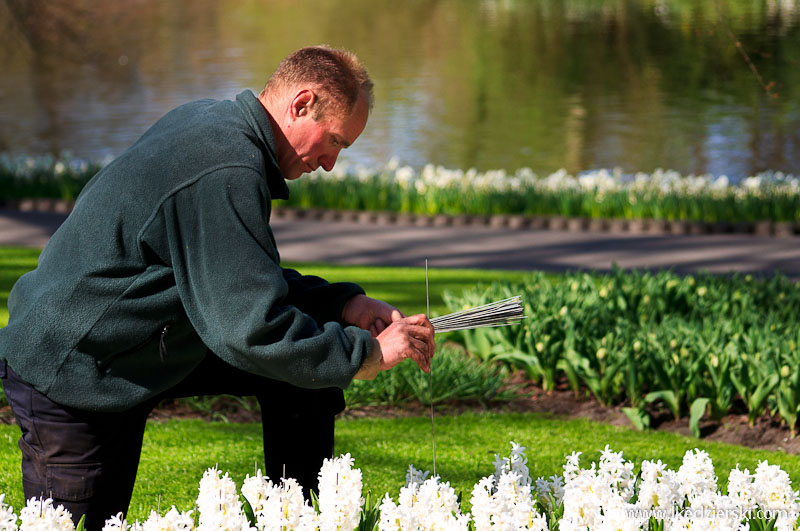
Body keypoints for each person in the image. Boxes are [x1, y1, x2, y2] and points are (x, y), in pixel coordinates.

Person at [0, 45, 435, 529]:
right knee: (80, 524)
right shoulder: (225, 166)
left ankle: (296, 517)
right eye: (335, 141)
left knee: (301, 370)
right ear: (301, 103)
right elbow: (251, 329)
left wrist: (343, 305)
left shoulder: (217, 125)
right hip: (76, 362)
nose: (331, 163)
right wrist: (367, 355)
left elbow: (239, 281)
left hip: (138, 340)